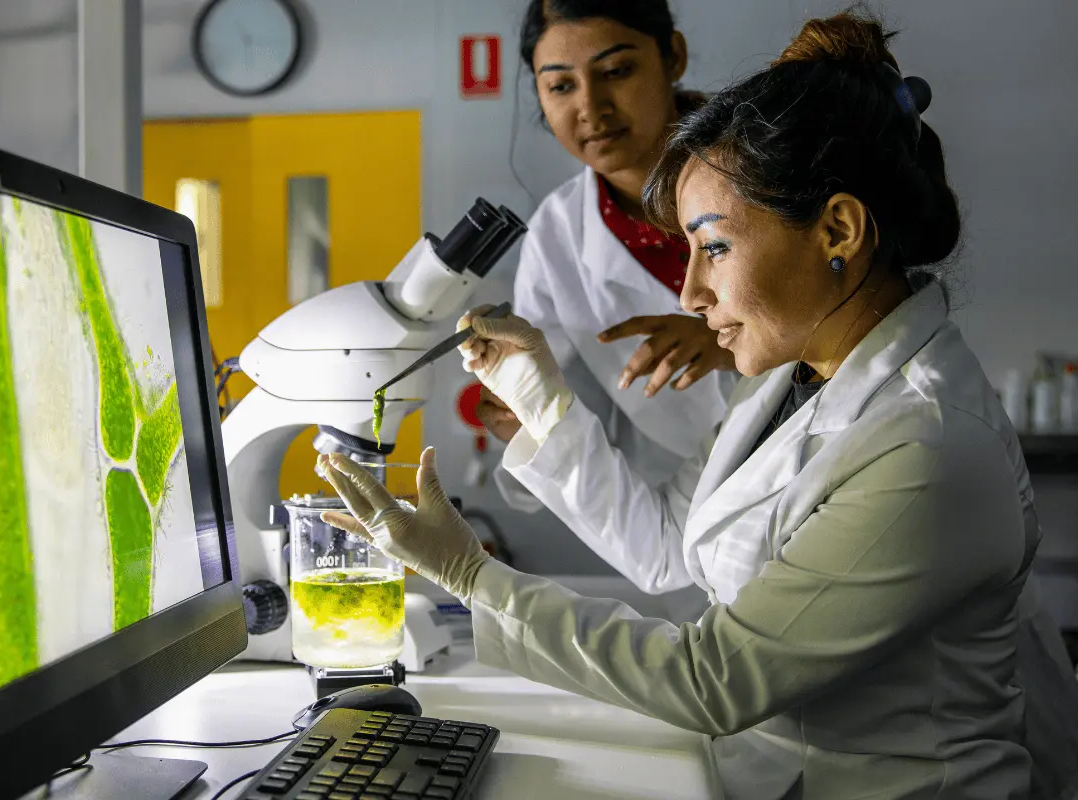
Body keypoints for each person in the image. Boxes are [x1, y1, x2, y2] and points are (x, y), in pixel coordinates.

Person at [320, 12, 1078, 799]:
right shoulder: (784, 382)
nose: (688, 294)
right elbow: (675, 543)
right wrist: (544, 406)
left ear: (839, 230)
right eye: (559, 84)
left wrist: (470, 575)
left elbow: (716, 678)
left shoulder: (927, 442)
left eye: (713, 247)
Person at [484, 0, 735, 522]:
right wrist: (527, 420)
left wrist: (729, 344)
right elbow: (576, 419)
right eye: (561, 85)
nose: (591, 109)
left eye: (617, 71)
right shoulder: (556, 240)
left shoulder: (768, 164)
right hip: (688, 511)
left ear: (673, 56)